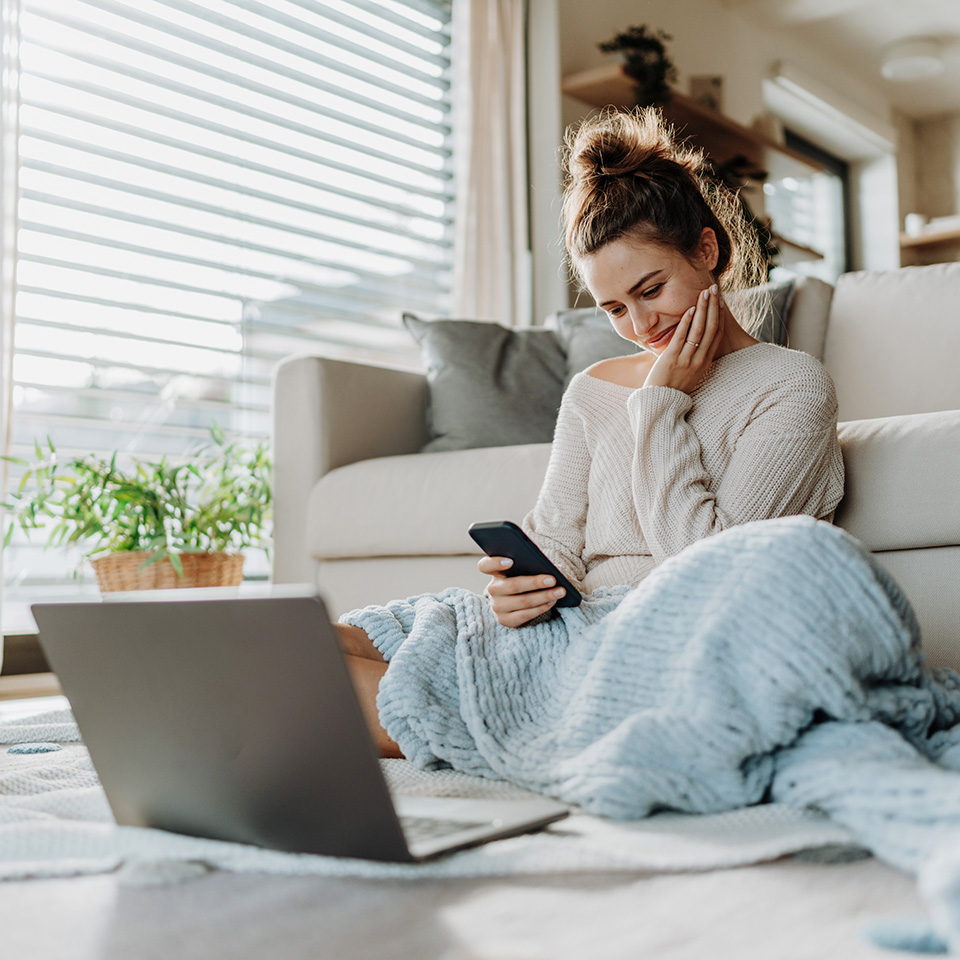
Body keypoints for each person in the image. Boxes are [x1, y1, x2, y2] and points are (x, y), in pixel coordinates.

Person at [336, 107, 845, 758]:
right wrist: (517, 591)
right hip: (567, 625)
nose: (640, 324)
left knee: (332, 686)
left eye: (650, 288)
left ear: (707, 251)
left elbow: (716, 579)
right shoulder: (593, 389)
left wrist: (661, 405)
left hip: (654, 638)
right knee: (315, 641)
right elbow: (557, 544)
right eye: (613, 308)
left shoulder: (790, 385)